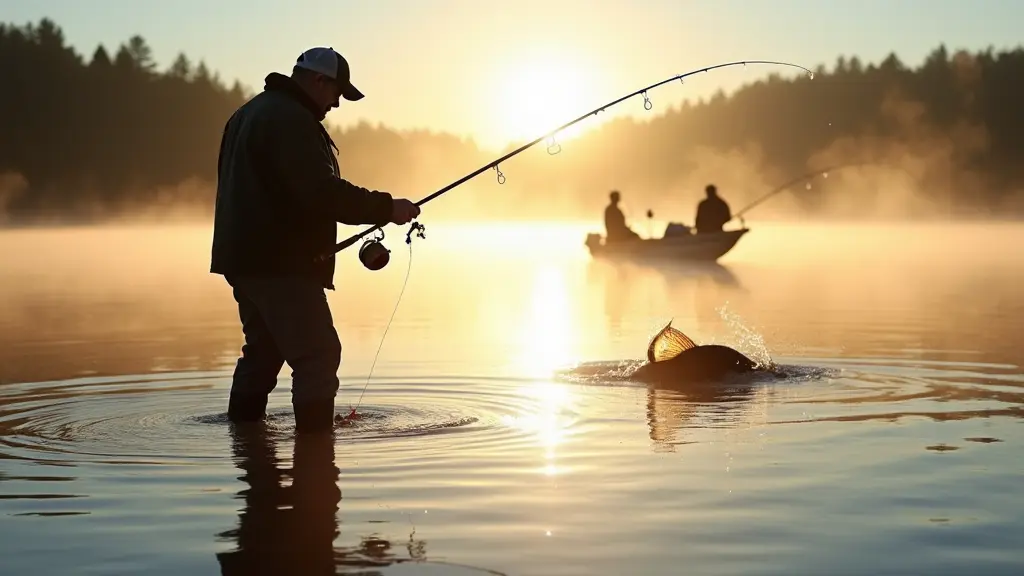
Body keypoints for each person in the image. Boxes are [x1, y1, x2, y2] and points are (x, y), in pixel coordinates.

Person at [210, 46, 421, 434]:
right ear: (318, 81)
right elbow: (321, 192)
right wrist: (386, 208)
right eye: (337, 92)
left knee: (264, 352)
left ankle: (245, 447)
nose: (337, 103)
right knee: (319, 354)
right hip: (281, 264)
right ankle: (316, 453)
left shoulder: (248, 113)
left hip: (244, 260)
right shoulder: (291, 120)